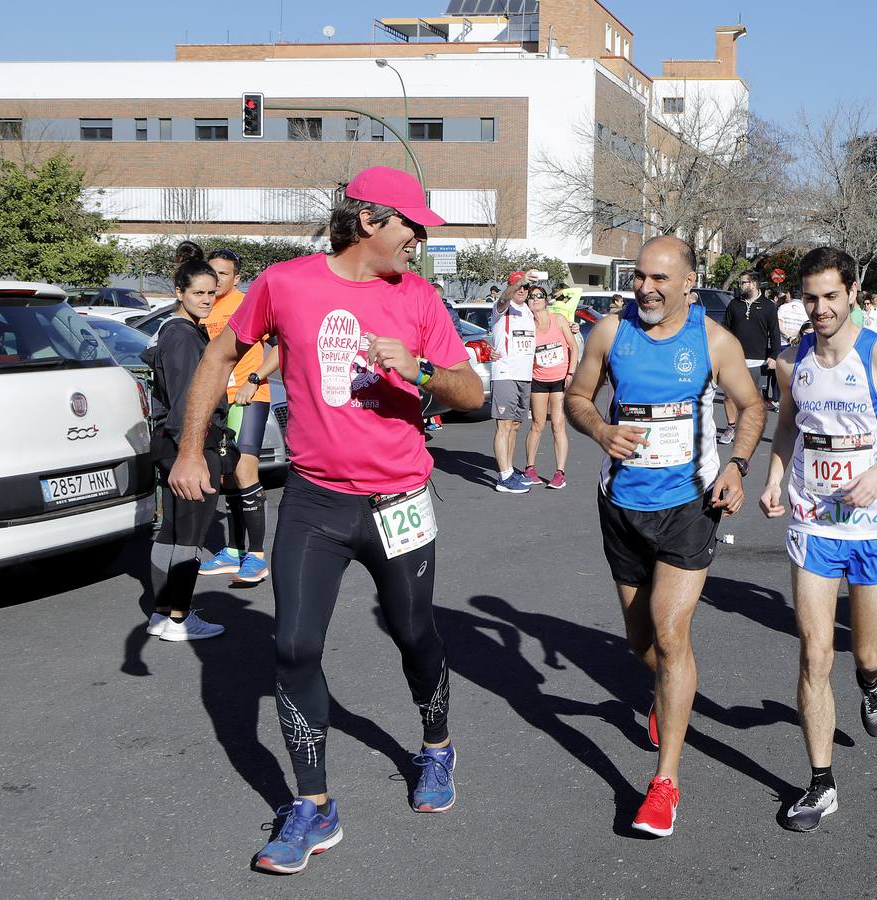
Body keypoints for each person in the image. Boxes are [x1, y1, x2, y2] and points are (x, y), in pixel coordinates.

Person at [167, 166, 484, 872]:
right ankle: (313, 806)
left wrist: (422, 371)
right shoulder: (285, 284)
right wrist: (193, 448)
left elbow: (471, 390)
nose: (418, 238)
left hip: (399, 502)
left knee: (414, 634)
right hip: (314, 502)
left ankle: (436, 748)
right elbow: (222, 353)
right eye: (411, 225)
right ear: (370, 222)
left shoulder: (422, 298)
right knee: (293, 648)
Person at [565, 235, 766, 838]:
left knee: (671, 632)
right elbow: (577, 397)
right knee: (640, 641)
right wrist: (601, 430)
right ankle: (666, 695)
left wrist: (737, 465)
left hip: (688, 504)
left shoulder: (712, 341)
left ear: (688, 283)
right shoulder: (609, 332)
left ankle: (664, 782)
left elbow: (751, 407)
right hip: (621, 504)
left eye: (658, 279)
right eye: (639, 278)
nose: (645, 289)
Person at [759, 247, 877, 832]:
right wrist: (773, 476)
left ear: (853, 293)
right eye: (810, 298)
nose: (820, 309)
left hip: (875, 525)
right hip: (813, 520)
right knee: (813, 654)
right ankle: (820, 784)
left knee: (867, 653)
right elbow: (788, 423)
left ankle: (871, 682)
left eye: (831, 296)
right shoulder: (792, 361)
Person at [143, 252, 234, 642]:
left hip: (176, 441)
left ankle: (163, 614)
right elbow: (184, 398)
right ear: (179, 292)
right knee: (189, 536)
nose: (207, 299)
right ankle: (178, 618)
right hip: (189, 444)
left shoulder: (181, 331)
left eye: (212, 292)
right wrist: (190, 453)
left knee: (173, 531)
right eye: (198, 292)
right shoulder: (181, 335)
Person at [197, 247, 277, 585]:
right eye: (212, 274)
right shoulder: (202, 306)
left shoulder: (249, 303)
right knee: (227, 475)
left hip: (248, 397)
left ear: (237, 278)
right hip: (217, 403)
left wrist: (255, 379)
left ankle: (256, 557)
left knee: (245, 470)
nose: (217, 282)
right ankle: (232, 551)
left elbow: (283, 346)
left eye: (224, 275)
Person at [523, 283, 577, 489]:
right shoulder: (527, 325)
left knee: (558, 424)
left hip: (560, 379)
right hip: (538, 379)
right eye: (531, 296)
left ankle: (560, 472)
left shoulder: (559, 320)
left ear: (546, 300)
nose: (535, 299)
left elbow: (574, 347)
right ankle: (530, 468)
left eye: (539, 296)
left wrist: (571, 373)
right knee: (537, 424)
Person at [488, 272, 538, 492]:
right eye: (518, 286)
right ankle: (504, 477)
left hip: (524, 375)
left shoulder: (528, 311)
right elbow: (504, 297)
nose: (522, 290)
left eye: (525, 288)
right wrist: (519, 281)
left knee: (516, 426)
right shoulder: (502, 307)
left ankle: (509, 469)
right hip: (505, 373)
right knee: (504, 425)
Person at [720, 272, 779, 444]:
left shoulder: (768, 306)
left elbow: (774, 333)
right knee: (729, 396)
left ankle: (749, 429)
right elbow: (725, 330)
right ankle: (731, 426)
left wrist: (774, 356)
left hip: (757, 360)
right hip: (734, 359)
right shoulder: (734, 304)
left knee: (752, 399)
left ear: (753, 284)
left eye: (743, 283)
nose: (740, 286)